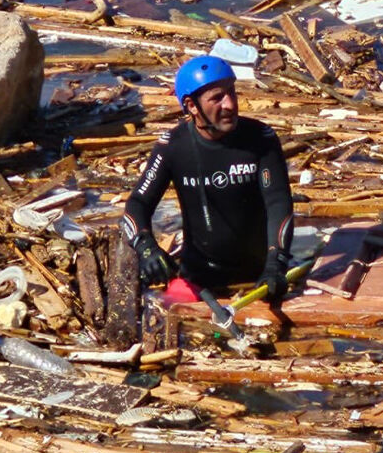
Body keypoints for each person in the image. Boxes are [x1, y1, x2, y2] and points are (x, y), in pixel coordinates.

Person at [121, 55, 294, 303]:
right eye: (217, 98)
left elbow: (278, 203)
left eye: (232, 93)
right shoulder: (173, 147)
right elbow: (137, 204)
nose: (231, 105)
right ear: (192, 106)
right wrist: (146, 247)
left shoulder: (260, 139)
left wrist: (277, 262)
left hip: (260, 277)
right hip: (200, 279)